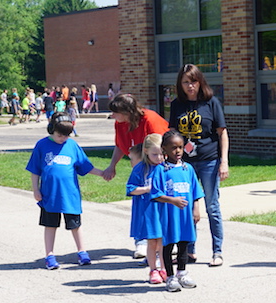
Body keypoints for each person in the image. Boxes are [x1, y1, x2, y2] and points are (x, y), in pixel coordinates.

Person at [25, 115, 105, 270]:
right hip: (49, 194)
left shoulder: (72, 146)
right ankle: (49, 255)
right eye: (59, 135)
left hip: (70, 195)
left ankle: (82, 252)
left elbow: (85, 166)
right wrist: (35, 189)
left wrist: (103, 173)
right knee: (50, 225)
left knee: (75, 224)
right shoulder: (42, 145)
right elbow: (35, 170)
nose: (63, 138)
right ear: (51, 130)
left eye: (66, 135)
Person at [169, 64, 229, 267]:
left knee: (212, 206)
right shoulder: (177, 104)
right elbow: (172, 134)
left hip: (209, 161)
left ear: (200, 81)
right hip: (185, 163)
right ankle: (189, 250)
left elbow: (222, 133)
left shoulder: (211, 102)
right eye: (185, 82)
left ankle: (217, 251)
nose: (190, 86)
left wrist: (224, 161)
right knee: (186, 206)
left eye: (193, 81)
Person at [154, 130, 204, 292]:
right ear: (164, 149)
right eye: (173, 148)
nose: (178, 151)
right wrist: (172, 200)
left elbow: (195, 192)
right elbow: (155, 194)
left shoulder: (187, 169)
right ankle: (170, 277)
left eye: (181, 147)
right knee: (168, 246)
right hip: (169, 216)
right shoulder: (161, 170)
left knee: (184, 245)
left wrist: (196, 209)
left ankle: (182, 273)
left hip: (185, 217)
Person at [126, 133, 168, 284]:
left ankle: (164, 268)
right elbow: (130, 189)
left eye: (162, 154)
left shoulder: (166, 168)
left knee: (163, 242)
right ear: (146, 152)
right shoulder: (140, 169)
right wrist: (146, 189)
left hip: (163, 210)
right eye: (154, 154)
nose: (159, 158)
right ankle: (153, 270)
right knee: (152, 242)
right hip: (148, 210)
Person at [103, 93, 169, 182]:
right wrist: (112, 166)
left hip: (159, 166)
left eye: (115, 112)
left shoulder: (150, 119)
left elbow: (163, 146)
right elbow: (120, 145)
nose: (112, 115)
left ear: (126, 113)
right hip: (143, 166)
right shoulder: (120, 123)